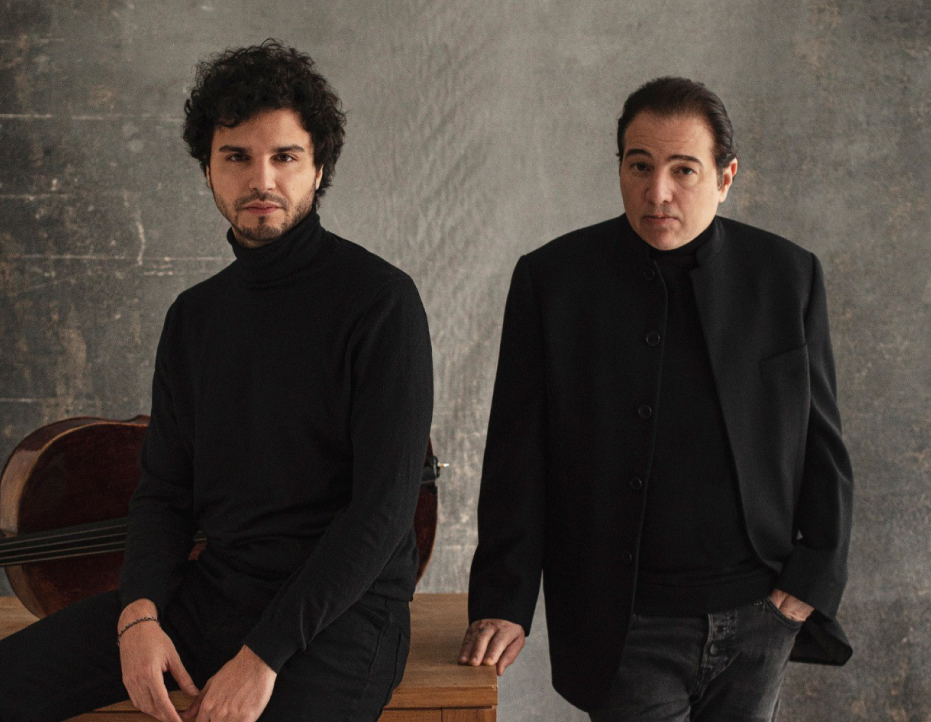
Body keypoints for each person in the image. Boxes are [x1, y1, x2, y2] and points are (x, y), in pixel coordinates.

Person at [0, 41, 433, 722]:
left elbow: (379, 515)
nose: (261, 179)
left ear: (318, 168)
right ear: (208, 169)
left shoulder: (381, 301)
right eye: (236, 157)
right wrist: (139, 615)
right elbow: (164, 493)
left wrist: (262, 658)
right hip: (217, 592)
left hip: (342, 619)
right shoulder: (195, 317)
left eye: (284, 157)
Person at [461, 77, 853, 721]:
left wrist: (809, 582)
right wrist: (503, 601)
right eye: (639, 166)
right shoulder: (552, 280)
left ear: (725, 177)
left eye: (683, 170)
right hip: (624, 622)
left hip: (760, 615)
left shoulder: (787, 276)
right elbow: (517, 457)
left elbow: (822, 444)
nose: (658, 192)